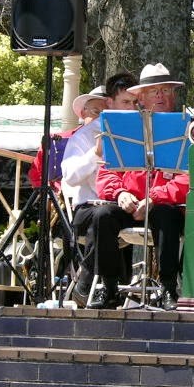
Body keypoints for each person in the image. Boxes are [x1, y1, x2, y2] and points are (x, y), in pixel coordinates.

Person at [90, 63, 189, 310]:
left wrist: (154, 196)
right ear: (141, 98)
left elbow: (190, 178)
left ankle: (168, 288)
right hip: (129, 203)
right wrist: (120, 192)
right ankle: (109, 286)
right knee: (102, 215)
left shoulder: (187, 127)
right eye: (153, 91)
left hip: (164, 205)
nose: (160, 96)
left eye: (166, 90)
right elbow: (106, 171)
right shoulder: (122, 128)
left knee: (166, 216)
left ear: (173, 95)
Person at [64, 71, 139, 304]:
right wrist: (94, 153)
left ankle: (100, 284)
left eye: (135, 103)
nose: (131, 109)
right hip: (88, 206)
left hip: (123, 205)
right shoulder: (86, 134)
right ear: (110, 103)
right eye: (125, 102)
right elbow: (70, 176)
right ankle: (99, 285)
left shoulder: (141, 131)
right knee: (102, 216)